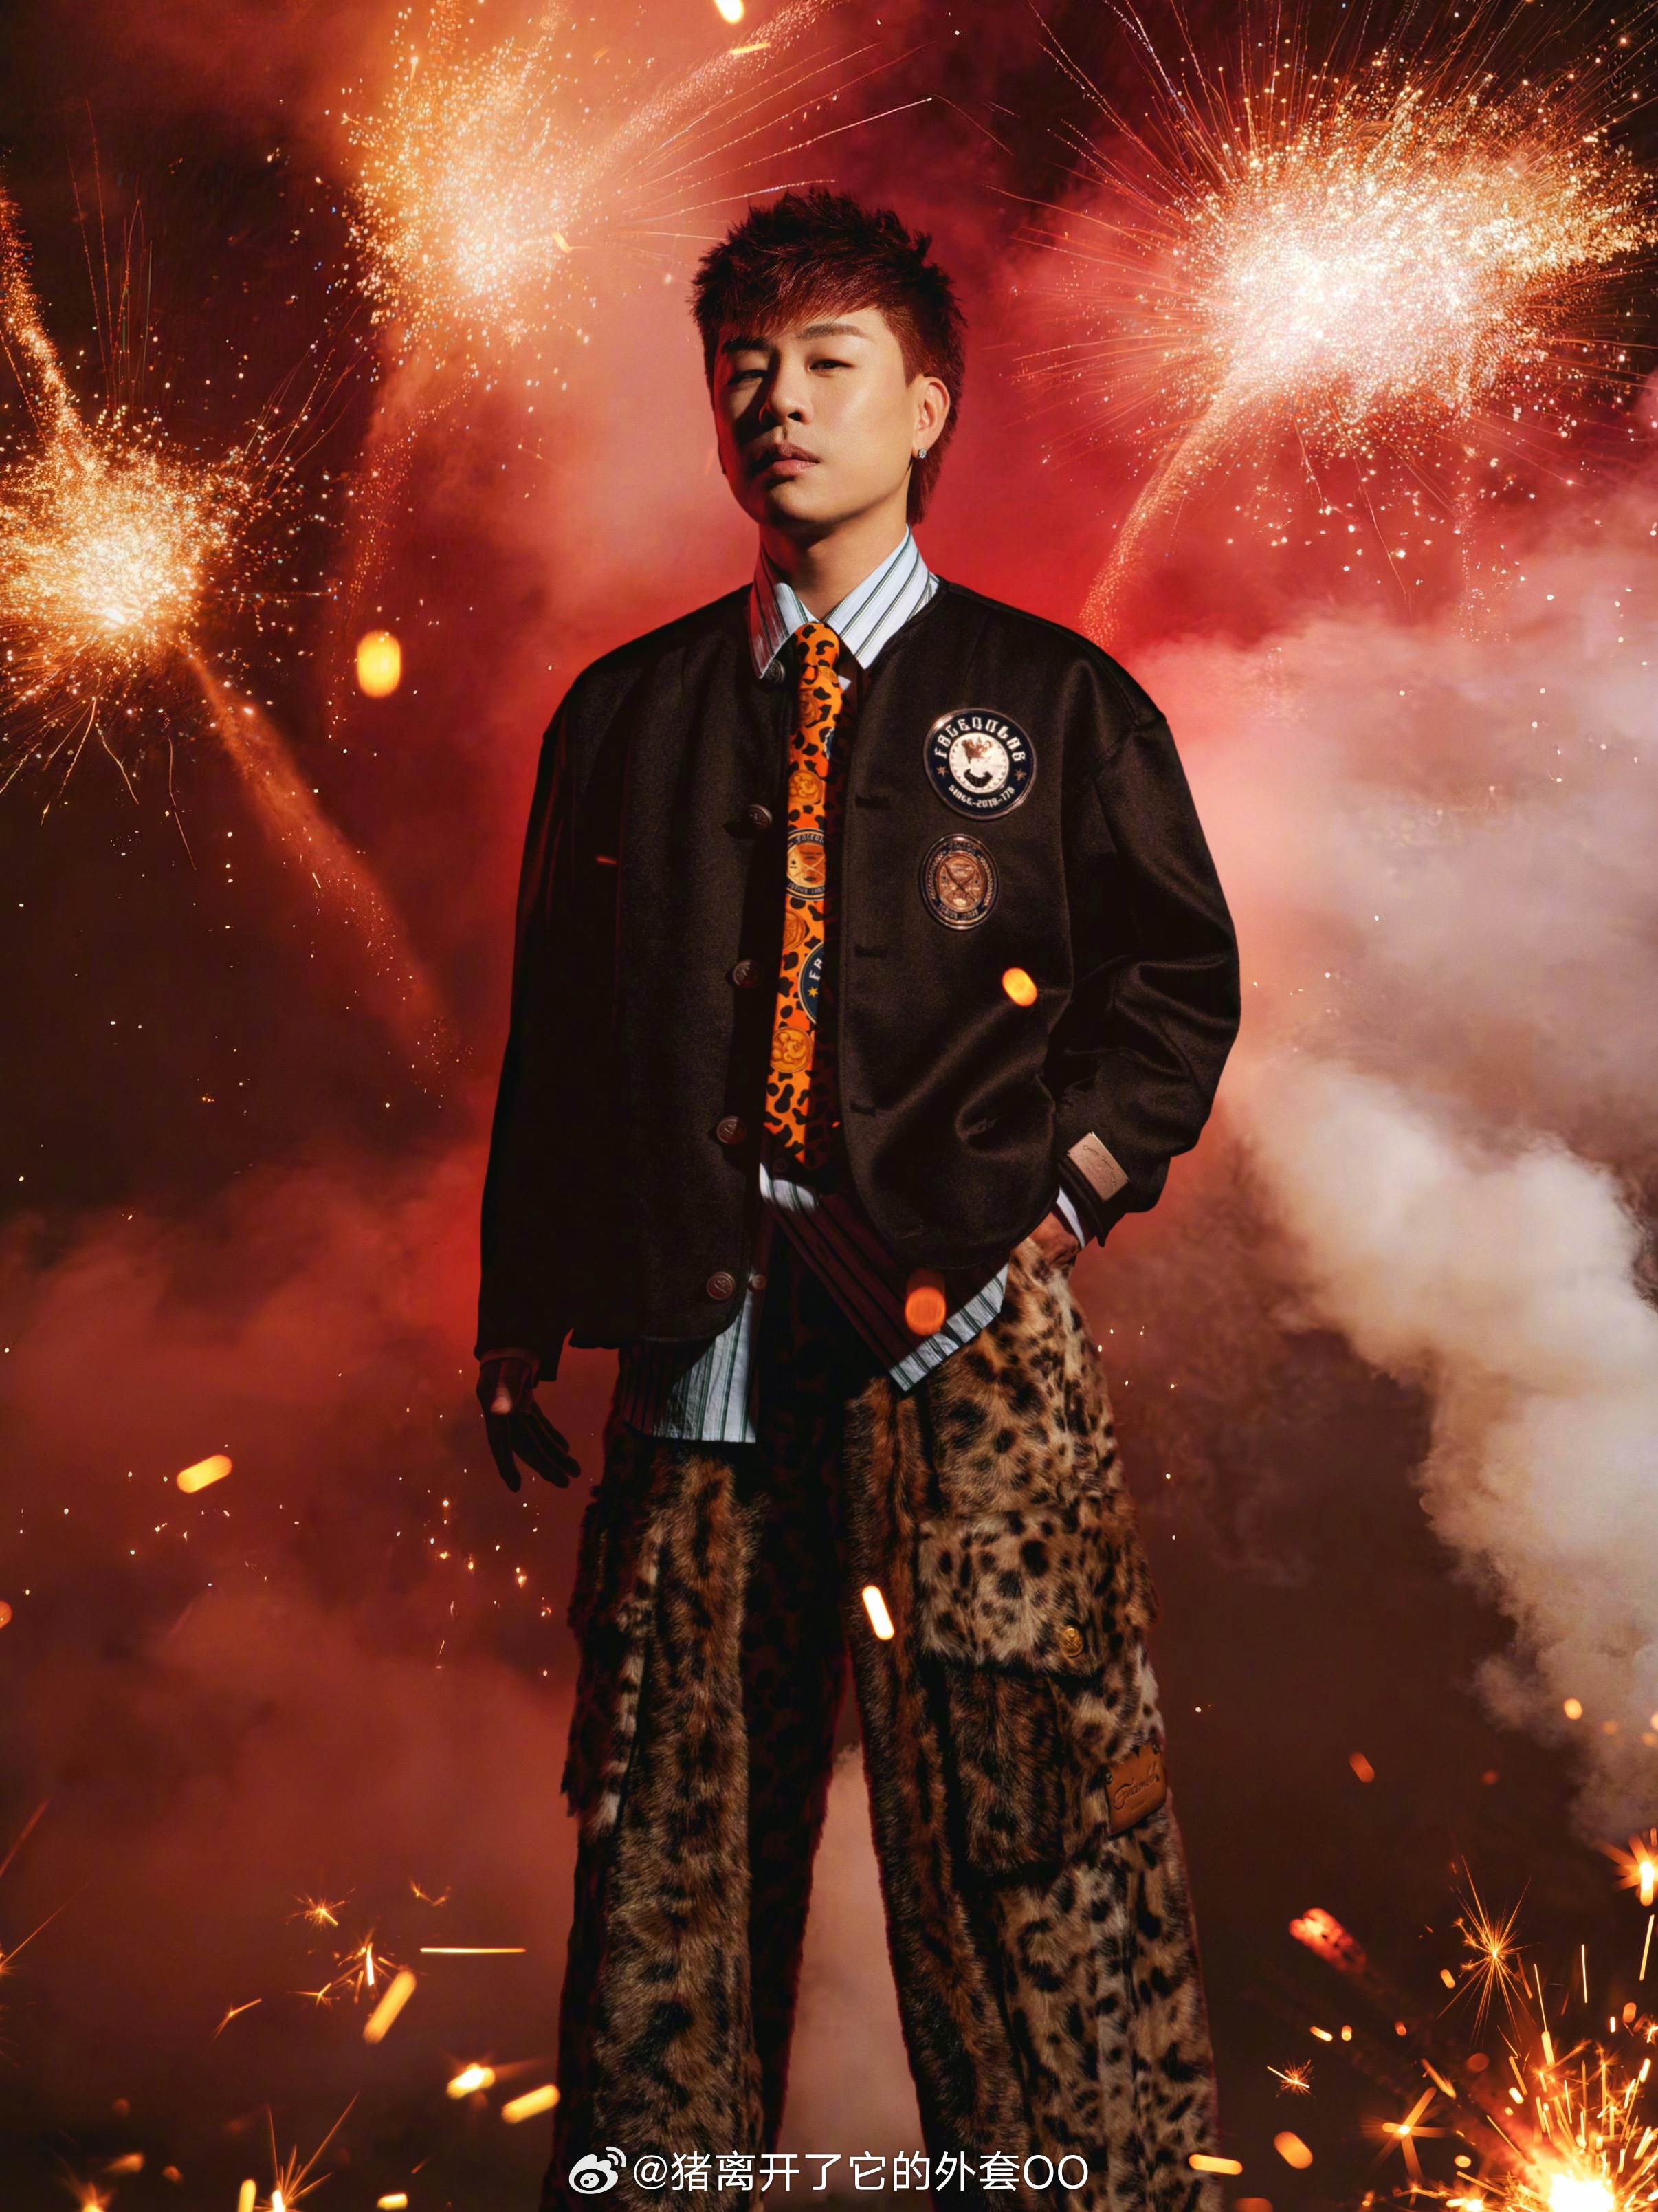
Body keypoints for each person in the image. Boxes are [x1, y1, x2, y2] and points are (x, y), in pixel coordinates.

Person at [475, 189, 1240, 2212]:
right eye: (744, 367)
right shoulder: (625, 714)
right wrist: (519, 1308)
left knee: (1032, 1849)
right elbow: (561, 1033)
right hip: (700, 1361)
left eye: (828, 364)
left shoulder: (1054, 701)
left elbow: (1174, 989)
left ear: (927, 405)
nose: (779, 404)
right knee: (665, 1877)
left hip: (963, 1358)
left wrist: (1058, 1201)